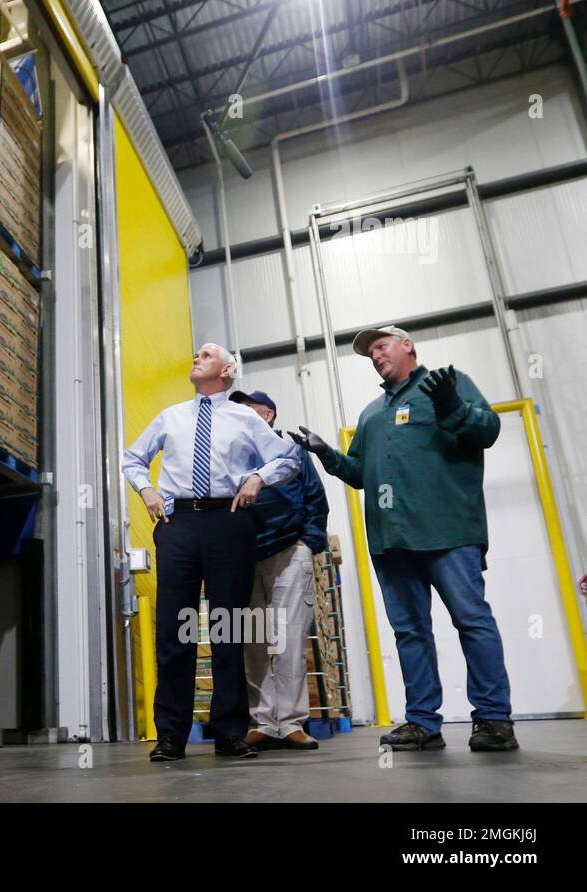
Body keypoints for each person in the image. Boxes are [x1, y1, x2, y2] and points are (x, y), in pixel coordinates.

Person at [290, 325, 517, 752]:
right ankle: (421, 722)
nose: (375, 355)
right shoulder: (373, 414)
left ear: (407, 345)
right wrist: (326, 455)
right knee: (410, 632)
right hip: (391, 540)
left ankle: (492, 719)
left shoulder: (449, 385)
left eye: (381, 345)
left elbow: (486, 431)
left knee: (472, 621)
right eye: (369, 352)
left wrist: (452, 406)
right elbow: (359, 472)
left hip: (449, 531)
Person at [122, 345, 301, 762]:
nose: (196, 356)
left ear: (226, 370)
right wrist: (147, 489)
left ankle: (229, 732)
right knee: (173, 632)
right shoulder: (172, 417)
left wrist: (258, 475)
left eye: (206, 354)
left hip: (229, 522)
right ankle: (171, 735)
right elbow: (133, 458)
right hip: (178, 525)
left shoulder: (245, 418)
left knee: (229, 630)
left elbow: (289, 458)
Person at [229, 389, 328, 752]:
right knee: (252, 641)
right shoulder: (231, 455)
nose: (238, 415)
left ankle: (291, 723)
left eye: (248, 409)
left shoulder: (290, 449)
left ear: (268, 415)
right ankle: (263, 722)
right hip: (243, 557)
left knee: (288, 638)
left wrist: (308, 543)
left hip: (290, 551)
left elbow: (316, 499)